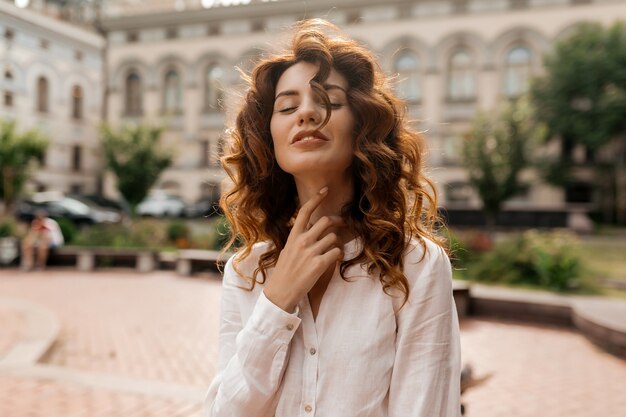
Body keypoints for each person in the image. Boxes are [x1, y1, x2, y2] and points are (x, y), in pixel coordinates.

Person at [205, 19, 461, 417]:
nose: (306, 113)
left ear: (362, 126)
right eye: (287, 107)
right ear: (269, 138)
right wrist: (276, 301)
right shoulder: (246, 271)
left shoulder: (416, 266)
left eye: (329, 101)